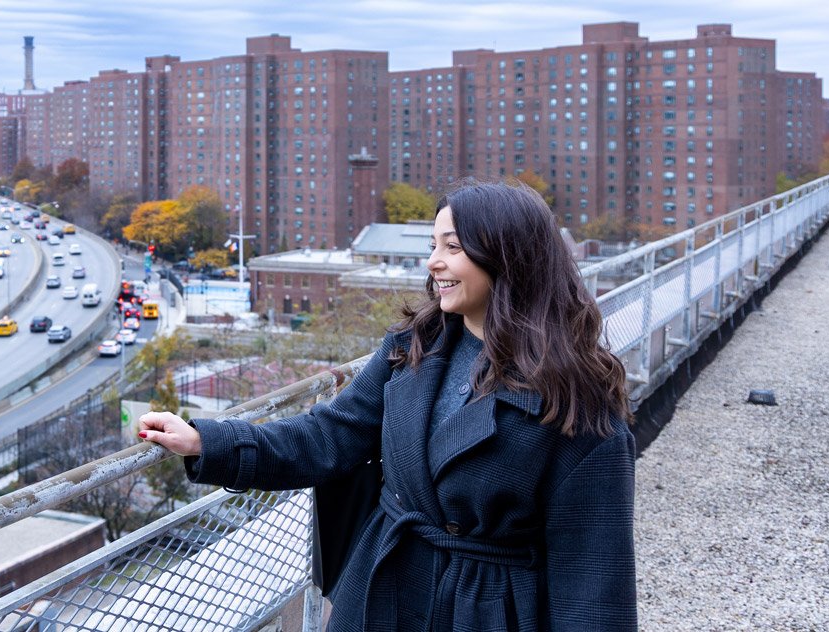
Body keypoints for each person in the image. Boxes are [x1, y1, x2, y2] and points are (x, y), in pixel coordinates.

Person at [138, 182, 637, 631]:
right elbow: (327, 436)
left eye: (453, 247)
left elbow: (594, 586)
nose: (433, 261)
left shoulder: (579, 406)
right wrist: (210, 441)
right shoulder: (410, 349)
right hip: (380, 592)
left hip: (487, 612)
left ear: (507, 256)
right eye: (433, 245)